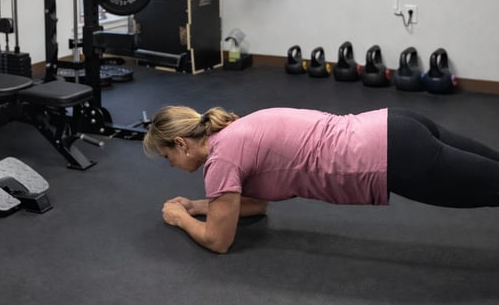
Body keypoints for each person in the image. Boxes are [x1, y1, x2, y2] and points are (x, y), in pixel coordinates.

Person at [143, 105, 499, 254]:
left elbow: (219, 240)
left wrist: (180, 217)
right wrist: (198, 206)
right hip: (397, 124)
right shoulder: (233, 130)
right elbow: (256, 206)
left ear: (181, 144)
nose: (170, 165)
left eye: (167, 157)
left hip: (394, 156)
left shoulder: (221, 159)